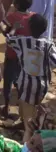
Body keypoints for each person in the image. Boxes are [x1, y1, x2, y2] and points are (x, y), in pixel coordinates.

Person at [8, 13, 56, 142]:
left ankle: (28, 139)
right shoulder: (48, 45)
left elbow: (9, 39)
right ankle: (25, 123)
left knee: (27, 108)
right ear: (45, 30)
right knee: (34, 105)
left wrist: (14, 28)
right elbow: (54, 61)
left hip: (25, 83)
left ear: (29, 27)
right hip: (41, 84)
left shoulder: (22, 41)